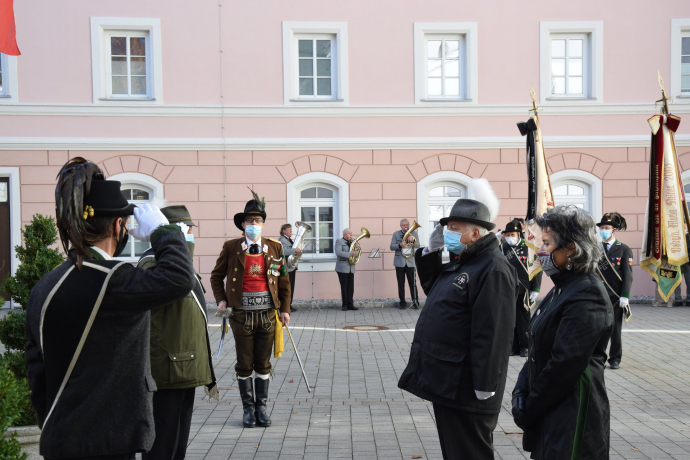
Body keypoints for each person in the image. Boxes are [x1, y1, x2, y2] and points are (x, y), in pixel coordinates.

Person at [26, 157, 195, 460]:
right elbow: (180, 278)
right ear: (118, 226)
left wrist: (55, 421)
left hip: (61, 437)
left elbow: (36, 365)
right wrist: (163, 232)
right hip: (107, 442)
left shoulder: (47, 283)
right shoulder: (113, 282)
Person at [398, 178, 516, 460]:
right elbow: (437, 292)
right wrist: (430, 252)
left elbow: (493, 332)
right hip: (450, 380)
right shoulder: (466, 260)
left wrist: (486, 383)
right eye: (447, 228)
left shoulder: (492, 268)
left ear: (475, 233)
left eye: (453, 229)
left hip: (468, 386)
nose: (448, 233)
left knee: (469, 453)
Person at [512, 205, 612, 460]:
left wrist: (530, 407)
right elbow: (537, 348)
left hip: (573, 412)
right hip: (551, 407)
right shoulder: (562, 288)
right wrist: (520, 392)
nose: (541, 251)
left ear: (571, 249)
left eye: (546, 243)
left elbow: (564, 364)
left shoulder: (587, 293)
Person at [139, 205, 217, 460]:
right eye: (188, 229)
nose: (192, 234)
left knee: (177, 446)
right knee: (163, 446)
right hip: (168, 369)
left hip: (183, 367)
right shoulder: (154, 263)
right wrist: (173, 241)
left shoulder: (177, 264)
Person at [210, 190, 291, 428]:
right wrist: (222, 300)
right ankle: (248, 409)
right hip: (241, 315)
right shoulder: (231, 247)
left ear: (263, 224)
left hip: (268, 314)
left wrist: (284, 309)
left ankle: (262, 408)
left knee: (263, 363)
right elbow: (216, 277)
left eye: (257, 221)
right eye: (249, 221)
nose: (253, 225)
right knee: (244, 363)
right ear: (242, 225)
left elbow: (284, 280)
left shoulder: (274, 248)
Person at [596, 212, 633, 370]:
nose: (604, 230)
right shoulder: (596, 249)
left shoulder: (624, 249)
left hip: (616, 296)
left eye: (607, 228)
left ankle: (615, 358)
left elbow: (628, 275)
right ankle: (598, 358)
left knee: (615, 330)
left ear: (614, 230)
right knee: (599, 329)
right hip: (599, 296)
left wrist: (625, 296)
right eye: (602, 228)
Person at [500, 218, 542, 357]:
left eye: (512, 235)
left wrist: (535, 289)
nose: (510, 237)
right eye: (507, 235)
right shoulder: (502, 248)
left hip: (524, 289)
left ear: (519, 234)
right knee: (510, 319)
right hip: (508, 289)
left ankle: (525, 346)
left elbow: (536, 270)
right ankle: (513, 346)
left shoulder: (529, 248)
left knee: (523, 319)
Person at [390, 219, 420, 309]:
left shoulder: (414, 234)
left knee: (413, 283)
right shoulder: (396, 234)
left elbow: (418, 246)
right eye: (403, 225)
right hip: (400, 262)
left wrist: (413, 240)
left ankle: (415, 302)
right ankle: (402, 303)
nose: (405, 226)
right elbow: (391, 247)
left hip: (410, 262)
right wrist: (400, 245)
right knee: (401, 283)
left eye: (407, 224)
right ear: (401, 226)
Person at [335, 228, 359, 311]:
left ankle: (350, 304)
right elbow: (338, 253)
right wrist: (350, 254)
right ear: (344, 234)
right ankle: (344, 305)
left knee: (350, 287)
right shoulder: (339, 241)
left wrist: (357, 248)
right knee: (344, 287)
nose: (351, 235)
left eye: (351, 233)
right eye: (349, 233)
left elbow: (358, 253)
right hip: (342, 267)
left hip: (351, 267)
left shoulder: (353, 242)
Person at [279, 223, 301, 313]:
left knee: (291, 286)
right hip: (288, 267)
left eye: (291, 230)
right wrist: (294, 250)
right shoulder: (282, 239)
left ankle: (289, 305)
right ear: (284, 231)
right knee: (288, 287)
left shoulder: (288, 239)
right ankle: (286, 306)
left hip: (292, 266)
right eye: (289, 230)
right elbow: (283, 251)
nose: (291, 231)